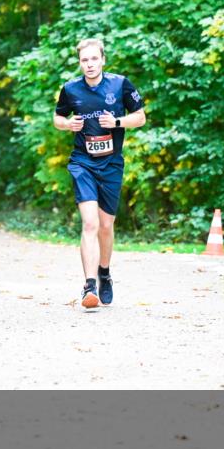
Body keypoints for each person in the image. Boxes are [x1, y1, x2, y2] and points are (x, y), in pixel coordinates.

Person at [53, 38, 146, 309]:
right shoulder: (70, 89)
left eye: (94, 59)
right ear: (79, 63)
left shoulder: (120, 84)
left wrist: (116, 121)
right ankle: (89, 285)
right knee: (90, 224)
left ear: (103, 60)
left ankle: (104, 273)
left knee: (106, 226)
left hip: (111, 164)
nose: (90, 64)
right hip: (82, 162)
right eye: (85, 60)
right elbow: (58, 118)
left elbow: (140, 117)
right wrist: (68, 124)